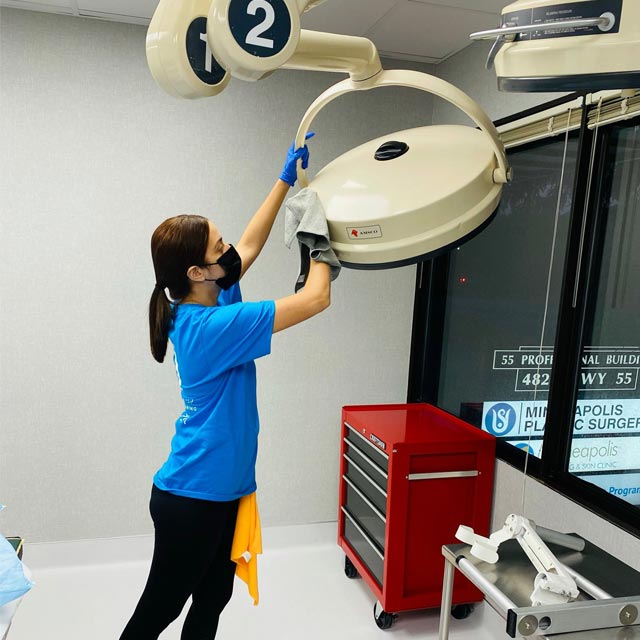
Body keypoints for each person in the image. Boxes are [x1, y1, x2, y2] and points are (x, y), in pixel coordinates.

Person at [119, 135, 330, 640]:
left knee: (213, 597)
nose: (228, 249)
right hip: (192, 496)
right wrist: (322, 237)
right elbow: (317, 298)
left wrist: (284, 180)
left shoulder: (211, 297)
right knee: (160, 610)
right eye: (217, 246)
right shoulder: (211, 327)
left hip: (221, 490)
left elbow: (250, 246)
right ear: (196, 271)